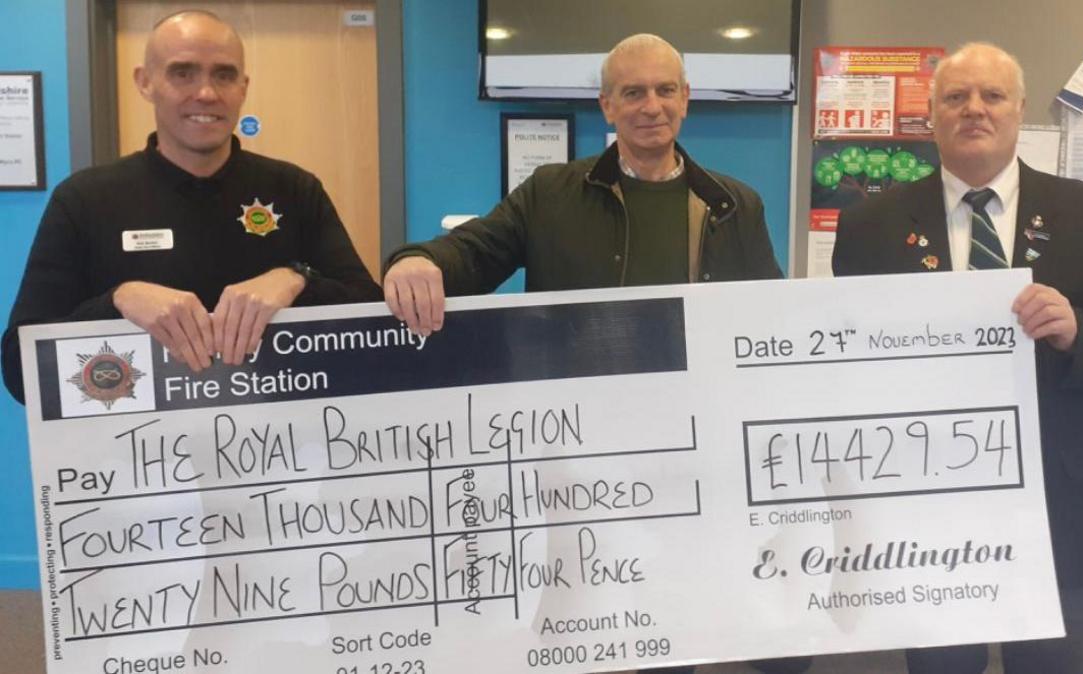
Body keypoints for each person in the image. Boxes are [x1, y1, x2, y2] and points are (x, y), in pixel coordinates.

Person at [384, 32, 811, 674]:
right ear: (606, 106)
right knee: (584, 620)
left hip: (690, 452)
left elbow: (765, 321)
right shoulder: (551, 193)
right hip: (577, 454)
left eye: (666, 89)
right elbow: (474, 252)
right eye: (632, 92)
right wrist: (416, 259)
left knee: (673, 618)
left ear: (687, 99)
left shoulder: (731, 204)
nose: (651, 105)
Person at [832, 43, 1083, 673]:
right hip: (927, 508)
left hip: (1057, 506)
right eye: (956, 97)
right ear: (931, 115)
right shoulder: (870, 227)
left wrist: (1081, 332)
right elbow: (849, 360)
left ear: (1019, 109)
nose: (975, 110)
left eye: (991, 96)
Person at [1, 10, 380, 402]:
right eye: (182, 72)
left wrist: (298, 279)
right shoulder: (84, 200)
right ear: (144, 82)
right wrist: (117, 300)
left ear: (243, 86)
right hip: (140, 451)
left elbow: (374, 325)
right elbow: (20, 369)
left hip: (282, 447)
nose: (206, 93)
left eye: (224, 74)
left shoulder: (294, 190)